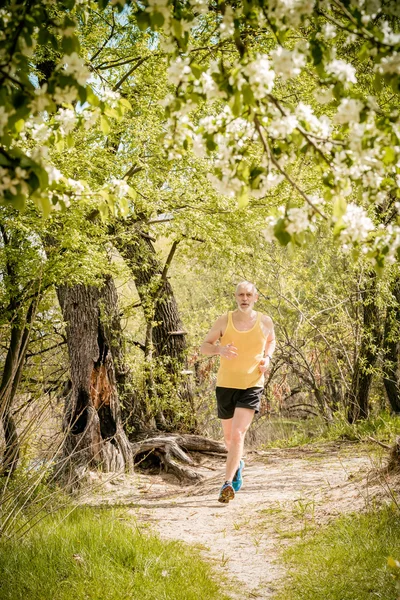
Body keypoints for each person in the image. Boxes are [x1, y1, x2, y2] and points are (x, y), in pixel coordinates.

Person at [200, 281, 275, 503]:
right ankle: (238, 463)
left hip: (252, 384)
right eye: (241, 294)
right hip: (226, 384)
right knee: (228, 437)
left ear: (255, 298)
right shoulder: (225, 320)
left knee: (238, 433)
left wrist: (267, 358)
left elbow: (271, 341)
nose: (244, 298)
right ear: (236, 297)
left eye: (248, 295)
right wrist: (219, 349)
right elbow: (204, 347)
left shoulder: (265, 321)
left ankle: (227, 483)